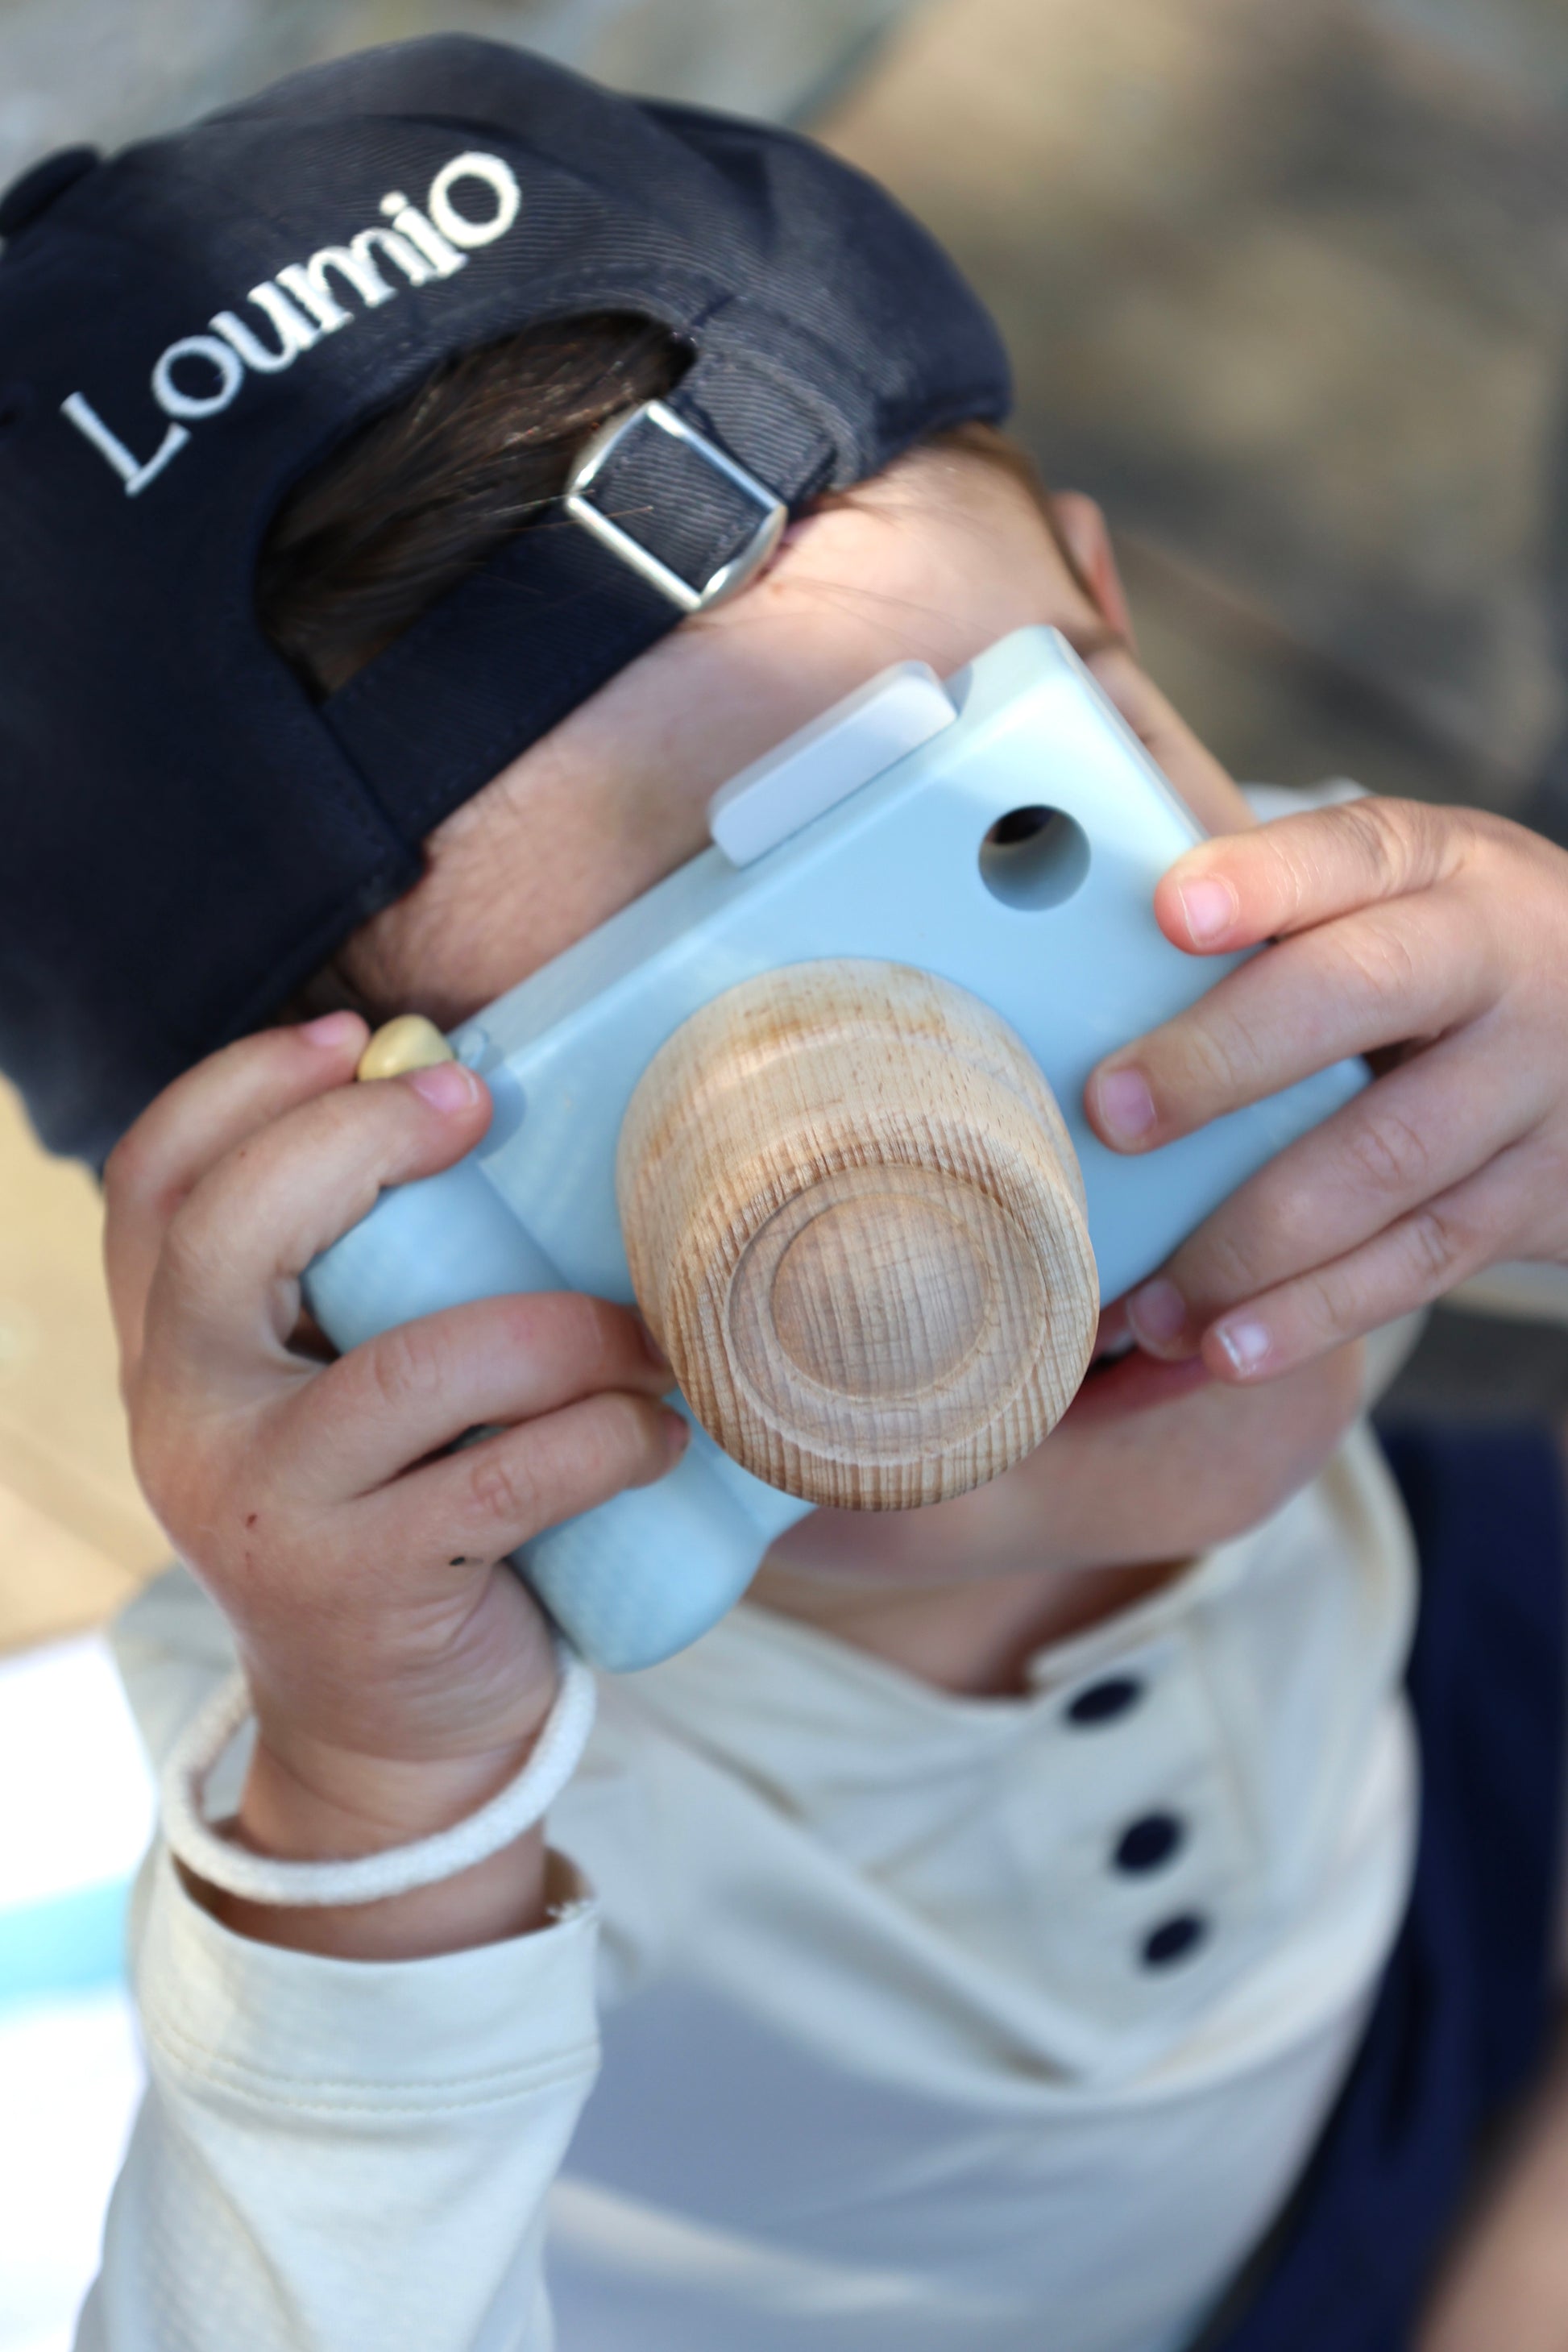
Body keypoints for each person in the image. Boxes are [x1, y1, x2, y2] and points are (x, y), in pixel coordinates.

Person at [2, 35, 1568, 2352]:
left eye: (1005, 851)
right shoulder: (408, 1734)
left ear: (1119, 650)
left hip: (1419, 1752)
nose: (989, 1157)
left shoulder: (1300, 959)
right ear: (336, 1261)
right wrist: (368, 1838)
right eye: (652, 1080)